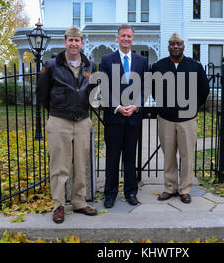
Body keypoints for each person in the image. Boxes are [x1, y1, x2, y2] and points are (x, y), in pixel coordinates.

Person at [36, 25, 97, 224]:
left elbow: (93, 92)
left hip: (82, 121)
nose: (73, 43)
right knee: (59, 166)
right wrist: (56, 111)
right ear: (65, 42)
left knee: (81, 164)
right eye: (70, 40)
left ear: (82, 43)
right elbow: (42, 94)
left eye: (77, 40)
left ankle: (79, 202)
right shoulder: (52, 65)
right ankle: (59, 205)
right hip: (59, 120)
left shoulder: (89, 66)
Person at [151, 33, 210, 204]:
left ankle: (185, 189)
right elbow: (154, 89)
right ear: (168, 46)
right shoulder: (159, 66)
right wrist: (163, 106)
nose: (175, 46)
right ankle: (170, 188)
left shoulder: (194, 66)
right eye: (172, 44)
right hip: (166, 119)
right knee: (168, 155)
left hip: (187, 120)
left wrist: (193, 107)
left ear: (184, 46)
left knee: (187, 156)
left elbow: (204, 90)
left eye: (179, 44)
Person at [99, 24, 149, 208]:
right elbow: (104, 87)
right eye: (123, 36)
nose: (126, 39)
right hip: (114, 118)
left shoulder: (141, 61)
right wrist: (118, 106)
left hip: (133, 117)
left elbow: (146, 87)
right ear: (117, 38)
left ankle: (130, 192)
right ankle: (110, 194)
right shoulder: (106, 60)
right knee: (112, 158)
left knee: (130, 157)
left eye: (129, 36)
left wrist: (136, 105)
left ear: (133, 39)